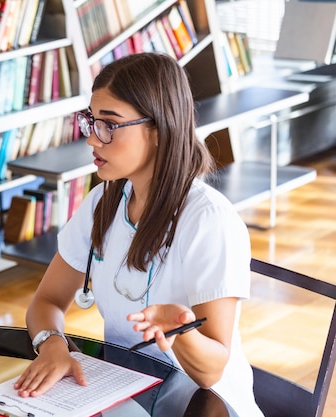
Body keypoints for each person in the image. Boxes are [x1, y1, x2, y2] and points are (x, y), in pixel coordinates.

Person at [14, 53, 263, 416]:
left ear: (159, 130)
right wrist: (53, 344)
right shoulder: (103, 201)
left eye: (110, 125)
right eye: (91, 121)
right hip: (125, 390)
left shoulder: (210, 221)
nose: (93, 140)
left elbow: (212, 371)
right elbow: (47, 302)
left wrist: (179, 332)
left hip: (203, 405)